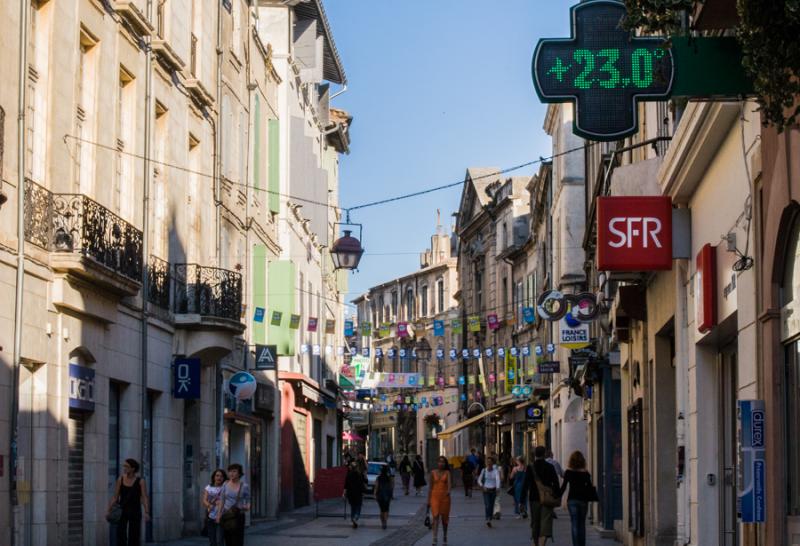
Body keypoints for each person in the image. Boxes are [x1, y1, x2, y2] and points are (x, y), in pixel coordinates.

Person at [107, 458, 149, 546]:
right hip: (122, 510)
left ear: (133, 468)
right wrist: (109, 509)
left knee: (134, 535)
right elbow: (115, 496)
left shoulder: (141, 481)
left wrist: (146, 512)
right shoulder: (120, 479)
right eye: (124, 466)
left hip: (135, 511)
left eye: (127, 466)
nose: (124, 468)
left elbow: (144, 497)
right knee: (121, 534)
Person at [525, 446, 561, 546]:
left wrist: (521, 501)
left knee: (535, 523)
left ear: (535, 454)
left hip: (534, 499)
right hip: (547, 499)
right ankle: (542, 544)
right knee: (546, 523)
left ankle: (535, 543)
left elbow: (526, 484)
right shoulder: (550, 467)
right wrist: (556, 496)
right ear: (544, 454)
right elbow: (556, 484)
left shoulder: (530, 467)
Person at [560, 451, 597, 546]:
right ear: (582, 461)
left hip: (572, 500)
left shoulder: (568, 472)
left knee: (574, 524)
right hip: (583, 500)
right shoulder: (586, 473)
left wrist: (556, 496)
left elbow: (563, 487)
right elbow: (589, 487)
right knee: (582, 524)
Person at [215, 463, 250, 546]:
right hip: (227, 515)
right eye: (230, 471)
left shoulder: (244, 486)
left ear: (239, 473)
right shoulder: (225, 484)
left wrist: (247, 506)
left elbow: (248, 500)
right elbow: (222, 500)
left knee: (237, 541)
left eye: (234, 471)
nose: (231, 473)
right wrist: (219, 515)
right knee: (228, 540)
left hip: (238, 516)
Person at [427, 456, 452, 546]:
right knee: (435, 516)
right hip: (435, 497)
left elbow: (449, 485)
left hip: (445, 497)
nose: (441, 463)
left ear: (445, 464)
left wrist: (448, 491)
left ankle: (445, 536)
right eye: (440, 462)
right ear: (437, 463)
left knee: (445, 519)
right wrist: (428, 500)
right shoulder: (433, 472)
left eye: (443, 462)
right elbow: (430, 488)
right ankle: (435, 538)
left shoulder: (447, 472)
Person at [202, 469, 227, 546]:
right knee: (212, 541)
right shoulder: (208, 487)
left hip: (222, 517)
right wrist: (209, 505)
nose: (219, 478)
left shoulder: (225, 488)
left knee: (219, 541)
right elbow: (204, 500)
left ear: (224, 478)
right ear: (213, 477)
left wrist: (222, 503)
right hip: (211, 517)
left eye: (221, 476)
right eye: (217, 475)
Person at [477, 455, 501, 527]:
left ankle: (490, 517)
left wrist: (497, 488)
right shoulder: (484, 470)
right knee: (487, 505)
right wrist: (482, 486)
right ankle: (488, 519)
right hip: (486, 490)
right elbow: (479, 480)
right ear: (486, 463)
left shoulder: (495, 471)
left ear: (492, 463)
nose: (489, 463)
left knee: (491, 505)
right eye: (488, 462)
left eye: (490, 462)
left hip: (493, 490)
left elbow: (497, 479)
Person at [344, 461, 367, 528]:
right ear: (356, 468)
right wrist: (364, 492)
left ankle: (353, 519)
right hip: (358, 493)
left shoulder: (348, 475)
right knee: (358, 507)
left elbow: (346, 485)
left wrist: (344, 493)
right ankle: (356, 517)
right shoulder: (360, 475)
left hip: (350, 494)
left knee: (353, 507)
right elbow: (364, 483)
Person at [375, 465, 394, 530]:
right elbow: (391, 487)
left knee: (381, 509)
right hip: (387, 496)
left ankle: (382, 522)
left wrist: (374, 494)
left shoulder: (378, 478)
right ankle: (385, 521)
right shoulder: (389, 478)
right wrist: (391, 495)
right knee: (386, 509)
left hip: (380, 496)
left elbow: (376, 487)